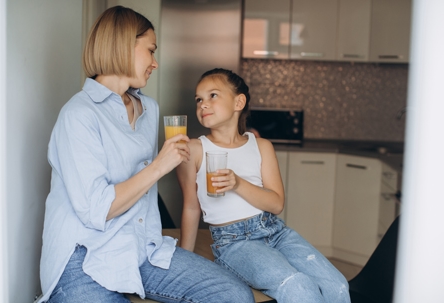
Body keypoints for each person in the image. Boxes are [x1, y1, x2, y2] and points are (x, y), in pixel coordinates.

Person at [39, 7, 254, 303]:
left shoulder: (148, 109)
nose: (155, 62)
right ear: (123, 45)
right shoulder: (78, 115)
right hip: (84, 258)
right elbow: (96, 210)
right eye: (150, 50)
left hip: (140, 248)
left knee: (234, 295)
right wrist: (159, 166)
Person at [177, 68, 351, 303]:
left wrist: (237, 183)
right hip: (234, 243)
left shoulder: (261, 146)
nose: (203, 105)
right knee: (298, 287)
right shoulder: (195, 150)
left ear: (239, 102)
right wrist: (184, 263)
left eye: (213, 96)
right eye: (199, 99)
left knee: (337, 286)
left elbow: (276, 203)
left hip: (275, 231)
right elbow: (191, 207)